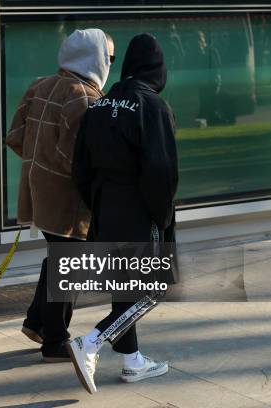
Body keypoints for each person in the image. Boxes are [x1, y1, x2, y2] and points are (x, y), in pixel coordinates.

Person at [68, 33, 179, 393]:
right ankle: (92, 342)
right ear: (157, 69)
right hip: (138, 207)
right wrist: (161, 219)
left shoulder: (99, 105)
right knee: (151, 289)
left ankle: (132, 361)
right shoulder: (153, 107)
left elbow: (80, 167)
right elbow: (160, 172)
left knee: (124, 286)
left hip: (105, 204)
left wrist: (96, 202)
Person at [6, 29, 114, 362]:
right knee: (71, 263)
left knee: (60, 258)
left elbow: (15, 136)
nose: (110, 63)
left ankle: (38, 321)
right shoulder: (84, 97)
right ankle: (55, 339)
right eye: (109, 57)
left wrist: (39, 165)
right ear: (93, 57)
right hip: (69, 199)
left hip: (37, 191)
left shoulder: (40, 85)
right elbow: (81, 159)